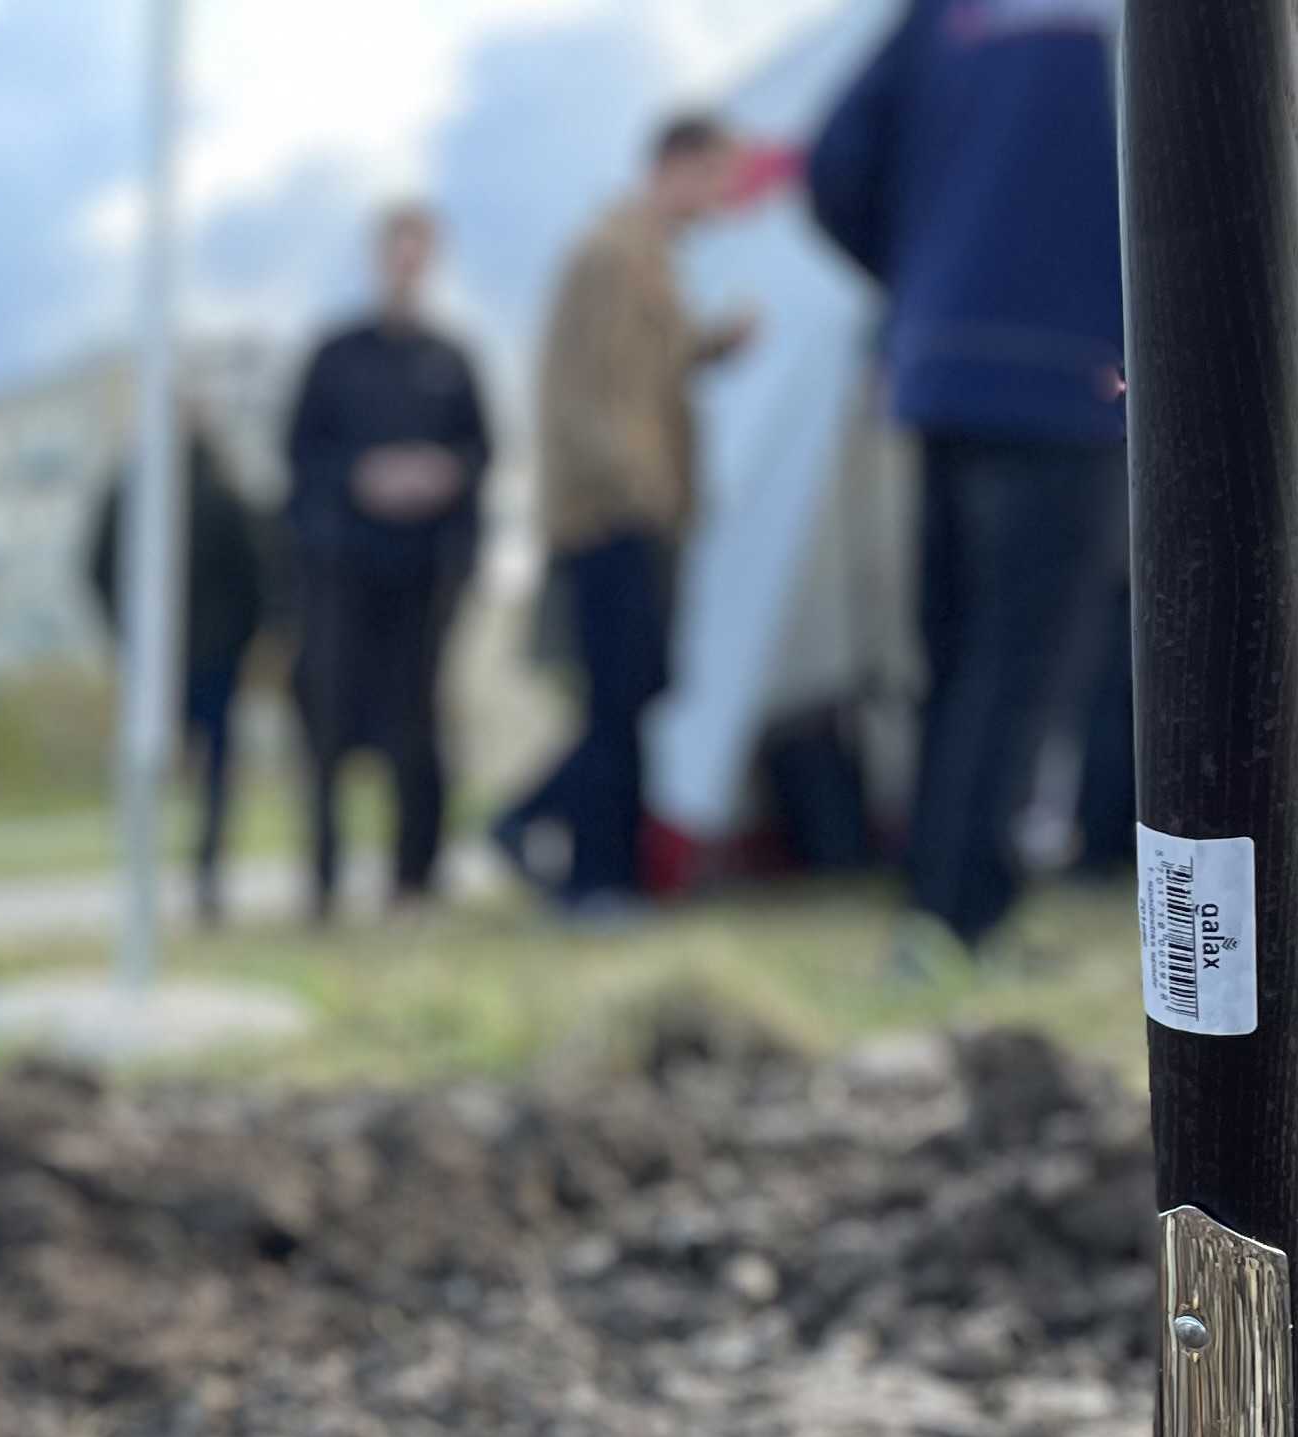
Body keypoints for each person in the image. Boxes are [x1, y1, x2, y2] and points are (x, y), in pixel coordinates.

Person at [808, 0, 1127, 968]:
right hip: (1072, 370)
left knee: (953, 654)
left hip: (942, 367)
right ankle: (965, 917)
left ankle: (935, 902)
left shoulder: (946, 12)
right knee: (1021, 661)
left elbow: (834, 162)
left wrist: (925, 279)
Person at [495, 115, 754, 912]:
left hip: (635, 510)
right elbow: (588, 395)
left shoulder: (646, 259)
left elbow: (645, 370)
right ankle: (595, 879)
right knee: (616, 701)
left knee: (634, 693)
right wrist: (637, 490)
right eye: (716, 177)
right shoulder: (610, 255)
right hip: (610, 515)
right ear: (677, 166)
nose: (722, 198)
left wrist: (710, 347)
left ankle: (557, 838)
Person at [285, 203, 490, 921]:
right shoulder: (335, 357)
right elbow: (300, 456)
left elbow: (482, 454)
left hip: (425, 575)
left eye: (419, 252)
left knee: (420, 728)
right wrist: (361, 478)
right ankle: (323, 878)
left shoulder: (452, 360)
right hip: (344, 576)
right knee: (329, 724)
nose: (407, 265)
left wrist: (442, 477)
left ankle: (415, 877)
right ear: (378, 258)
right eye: (396, 251)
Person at [86, 420, 271, 927]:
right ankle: (206, 876)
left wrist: (126, 634)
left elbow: (96, 570)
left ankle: (145, 876)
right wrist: (242, 641)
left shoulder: (131, 497)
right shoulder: (220, 497)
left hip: (161, 659)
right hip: (212, 658)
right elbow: (257, 580)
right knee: (213, 774)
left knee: (148, 766)